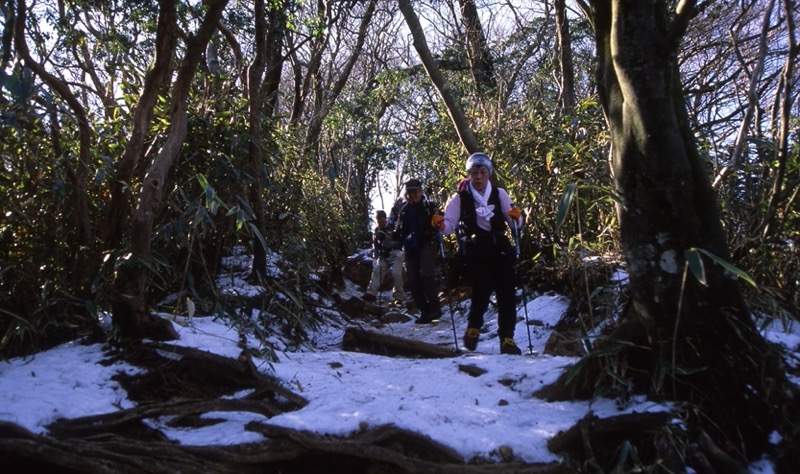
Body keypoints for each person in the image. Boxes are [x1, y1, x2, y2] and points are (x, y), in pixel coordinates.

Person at [434, 152, 524, 354]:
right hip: (476, 250)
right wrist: (440, 225)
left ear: (489, 173)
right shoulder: (459, 198)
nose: (479, 177)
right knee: (481, 290)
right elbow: (449, 225)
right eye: (474, 172)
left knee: (506, 293)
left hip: (499, 248)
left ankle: (507, 339)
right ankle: (473, 328)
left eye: (483, 172)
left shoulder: (499, 193)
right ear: (469, 174)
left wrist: (517, 218)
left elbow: (514, 223)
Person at [393, 178, 443, 324]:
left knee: (426, 273)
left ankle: (435, 308)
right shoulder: (403, 210)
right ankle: (425, 312)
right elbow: (398, 230)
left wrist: (438, 221)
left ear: (420, 191)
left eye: (415, 191)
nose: (412, 195)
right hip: (411, 247)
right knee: (412, 279)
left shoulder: (429, 206)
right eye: (409, 192)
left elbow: (440, 220)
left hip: (428, 243)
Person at [363, 210, 405, 305]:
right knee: (377, 270)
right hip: (384, 254)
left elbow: (399, 237)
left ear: (385, 218)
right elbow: (375, 245)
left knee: (396, 273)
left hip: (396, 253)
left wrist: (387, 236)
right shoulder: (376, 230)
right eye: (379, 221)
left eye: (382, 220)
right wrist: (376, 254)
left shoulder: (394, 226)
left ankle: (398, 297)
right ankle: (371, 293)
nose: (381, 223)